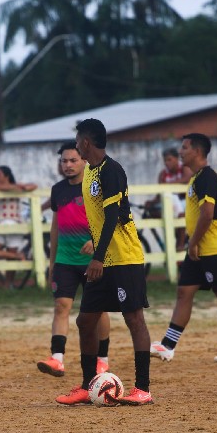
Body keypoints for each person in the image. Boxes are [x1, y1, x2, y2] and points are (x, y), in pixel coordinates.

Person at [56, 118, 154, 406]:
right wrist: (95, 247)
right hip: (103, 260)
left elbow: (112, 216)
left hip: (123, 258)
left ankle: (143, 388)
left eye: (77, 141)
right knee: (85, 320)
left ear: (86, 142)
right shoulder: (89, 171)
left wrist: (97, 257)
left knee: (134, 318)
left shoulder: (112, 170)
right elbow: (97, 218)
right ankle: (88, 385)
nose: (75, 146)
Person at [150, 133, 217, 363]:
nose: (180, 152)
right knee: (184, 292)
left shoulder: (207, 177)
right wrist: (193, 244)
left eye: (184, 148)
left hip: (213, 247)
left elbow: (207, 215)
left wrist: (193, 243)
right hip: (198, 247)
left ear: (197, 151)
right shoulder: (196, 178)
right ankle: (167, 346)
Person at [36, 141, 111, 377]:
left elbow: (109, 219)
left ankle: (102, 359)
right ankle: (57, 358)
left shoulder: (95, 186)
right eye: (64, 161)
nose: (67, 165)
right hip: (65, 260)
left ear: (84, 161)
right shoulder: (58, 190)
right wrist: (52, 261)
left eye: (73, 160)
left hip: (93, 261)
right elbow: (55, 227)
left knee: (99, 310)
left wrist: (96, 243)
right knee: (61, 306)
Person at [0, 165, 37, 262]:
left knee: (11, 260)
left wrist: (23, 187)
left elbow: (34, 186)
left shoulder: (16, 188)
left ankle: (14, 261)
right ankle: (17, 256)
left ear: (6, 176)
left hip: (13, 225)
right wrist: (17, 187)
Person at [145, 147, 193, 251]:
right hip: (170, 204)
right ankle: (176, 238)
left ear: (176, 159)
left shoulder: (184, 168)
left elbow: (187, 179)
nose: (167, 163)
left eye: (169, 159)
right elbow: (160, 194)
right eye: (165, 160)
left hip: (186, 201)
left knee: (180, 213)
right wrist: (151, 202)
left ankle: (180, 245)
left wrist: (168, 185)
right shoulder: (162, 174)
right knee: (151, 211)